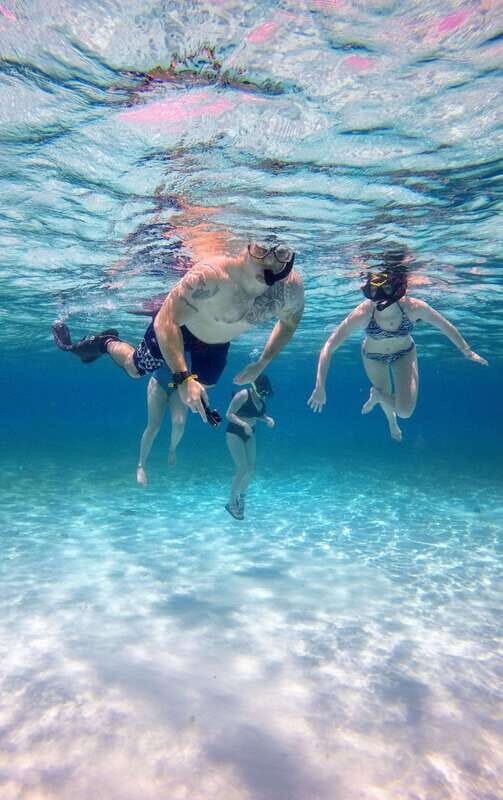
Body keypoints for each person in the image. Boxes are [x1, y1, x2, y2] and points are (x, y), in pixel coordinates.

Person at [53, 238, 304, 427]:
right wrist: (183, 379)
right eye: (260, 248)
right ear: (246, 246)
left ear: (290, 256)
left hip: (216, 342)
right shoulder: (211, 276)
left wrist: (263, 362)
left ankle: (182, 378)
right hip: (179, 325)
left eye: (280, 253)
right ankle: (107, 342)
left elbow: (289, 324)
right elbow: (167, 320)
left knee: (206, 384)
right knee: (135, 369)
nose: (268, 260)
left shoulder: (289, 290)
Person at [308, 247, 488, 441]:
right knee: (390, 399)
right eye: (372, 289)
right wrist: (320, 386)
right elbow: (329, 346)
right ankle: (391, 422)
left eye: (383, 288)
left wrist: (466, 351)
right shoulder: (363, 314)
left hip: (405, 354)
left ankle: (380, 399)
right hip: (373, 358)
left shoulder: (413, 307)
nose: (377, 296)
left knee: (405, 411)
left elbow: (444, 325)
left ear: (396, 289)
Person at [225, 375, 275, 520]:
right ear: (254, 387)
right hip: (234, 432)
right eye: (261, 392)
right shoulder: (242, 395)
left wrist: (267, 419)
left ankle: (241, 498)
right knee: (242, 468)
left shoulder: (261, 395)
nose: (263, 395)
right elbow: (229, 414)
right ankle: (230, 503)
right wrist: (244, 425)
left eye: (264, 393)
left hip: (250, 433)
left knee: (251, 469)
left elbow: (256, 413)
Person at [136, 366, 188, 486]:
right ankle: (141, 465)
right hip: (158, 382)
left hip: (179, 386)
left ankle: (172, 449)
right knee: (153, 426)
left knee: (179, 423)